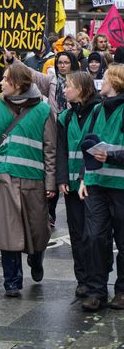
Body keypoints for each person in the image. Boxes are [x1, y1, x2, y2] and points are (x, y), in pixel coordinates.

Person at [0, 62, 56, 298]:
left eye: (7, 79)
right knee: (8, 231)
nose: (2, 82)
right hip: (3, 177)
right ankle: (12, 280)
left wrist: (50, 183)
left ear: (19, 84)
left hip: (34, 179)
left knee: (38, 230)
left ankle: (36, 257)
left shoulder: (43, 109)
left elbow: (50, 149)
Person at [78, 64, 124, 311]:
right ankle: (96, 291)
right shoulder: (96, 110)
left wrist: (113, 155)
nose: (101, 82)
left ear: (115, 82)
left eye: (105, 78)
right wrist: (84, 178)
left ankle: (122, 291)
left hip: (121, 186)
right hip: (96, 184)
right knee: (94, 238)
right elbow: (87, 146)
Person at [56, 72, 100, 299]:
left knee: (93, 234)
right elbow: (60, 149)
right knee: (76, 233)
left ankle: (96, 278)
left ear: (81, 89)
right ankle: (82, 279)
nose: (64, 90)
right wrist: (62, 178)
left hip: (93, 183)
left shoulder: (98, 111)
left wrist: (84, 175)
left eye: (68, 86)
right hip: (72, 186)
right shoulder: (65, 117)